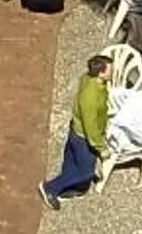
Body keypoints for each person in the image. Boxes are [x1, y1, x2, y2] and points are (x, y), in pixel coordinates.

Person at [42, 54, 114, 208]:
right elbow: (91, 126)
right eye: (110, 70)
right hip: (83, 137)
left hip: (75, 130)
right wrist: (101, 148)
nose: (112, 72)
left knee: (71, 160)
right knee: (86, 172)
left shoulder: (88, 79)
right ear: (101, 73)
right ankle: (51, 188)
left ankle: (69, 187)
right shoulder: (91, 97)